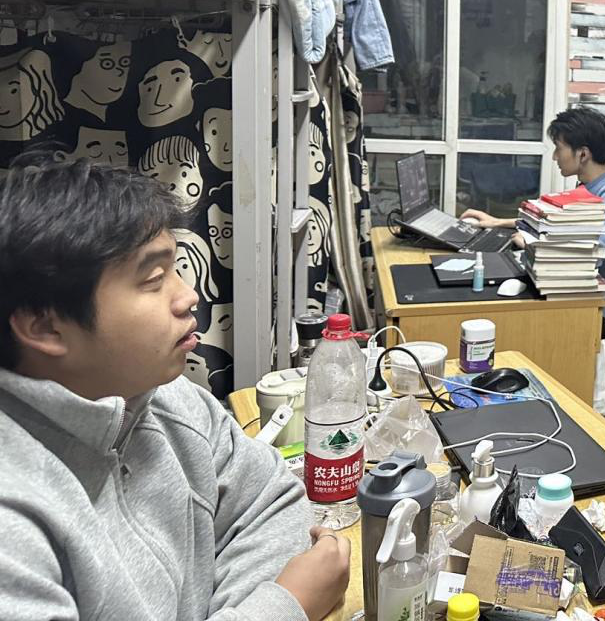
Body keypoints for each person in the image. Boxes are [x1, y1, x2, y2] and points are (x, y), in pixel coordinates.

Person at [0, 157, 350, 621]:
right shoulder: (13, 526)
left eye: (176, 268)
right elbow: (290, 585)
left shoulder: (164, 398)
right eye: (153, 280)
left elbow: (272, 500)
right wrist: (286, 605)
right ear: (45, 327)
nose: (188, 296)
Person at [463, 105, 605, 342]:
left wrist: (532, 245)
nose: (554, 156)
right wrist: (498, 222)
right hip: (589, 298)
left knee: (512, 321)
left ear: (583, 154)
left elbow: (585, 259)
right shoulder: (599, 181)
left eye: (559, 148)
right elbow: (560, 224)